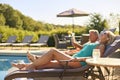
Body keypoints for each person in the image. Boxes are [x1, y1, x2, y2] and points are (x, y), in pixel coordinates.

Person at [12, 31, 116, 70]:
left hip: (79, 63)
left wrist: (79, 59)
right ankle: (24, 66)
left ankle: (30, 65)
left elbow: (96, 59)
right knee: (48, 64)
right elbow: (83, 50)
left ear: (108, 38)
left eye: (105, 33)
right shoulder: (96, 43)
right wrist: (73, 53)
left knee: (53, 51)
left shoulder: (101, 46)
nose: (102, 33)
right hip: (73, 59)